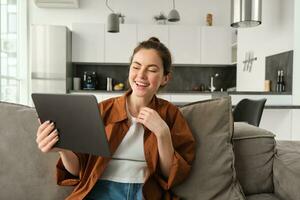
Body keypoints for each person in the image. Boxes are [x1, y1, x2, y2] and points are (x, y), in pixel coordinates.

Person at [35, 37, 195, 200]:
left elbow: (170, 174)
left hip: (144, 192)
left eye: (152, 70)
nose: (141, 75)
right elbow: (77, 170)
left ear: (165, 78)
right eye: (136, 67)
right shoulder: (102, 110)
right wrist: (63, 148)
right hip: (100, 188)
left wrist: (163, 133)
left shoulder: (171, 114)